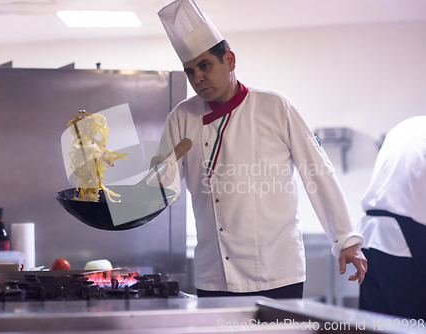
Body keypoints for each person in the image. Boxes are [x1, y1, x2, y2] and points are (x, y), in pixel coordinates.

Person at [157, 0, 367, 298]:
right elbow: (163, 188)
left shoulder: (274, 107)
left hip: (277, 271)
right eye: (190, 71)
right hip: (214, 273)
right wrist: (125, 192)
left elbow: (317, 172)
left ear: (229, 60)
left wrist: (346, 238)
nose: (198, 78)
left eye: (205, 65)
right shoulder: (181, 116)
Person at [357, 116, 426, 319]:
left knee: (376, 322)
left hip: (371, 235)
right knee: (413, 323)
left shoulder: (407, 125)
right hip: (406, 238)